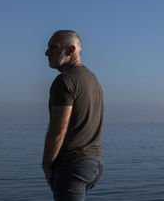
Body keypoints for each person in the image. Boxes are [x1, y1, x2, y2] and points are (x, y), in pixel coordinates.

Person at [42, 30, 104, 201]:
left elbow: (58, 131)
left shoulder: (65, 81)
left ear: (71, 50)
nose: (46, 53)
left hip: (72, 165)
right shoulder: (93, 79)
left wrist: (46, 165)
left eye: (53, 47)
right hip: (95, 163)